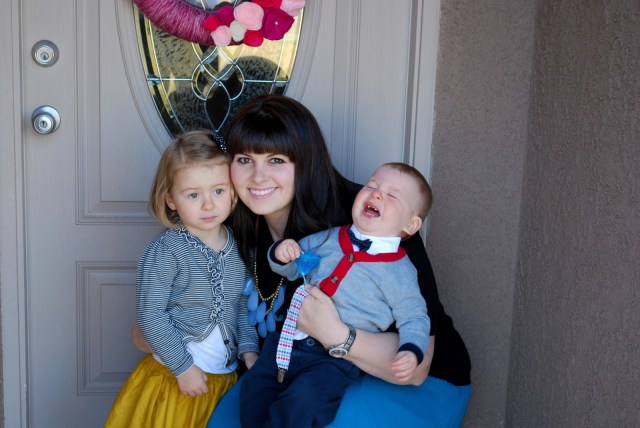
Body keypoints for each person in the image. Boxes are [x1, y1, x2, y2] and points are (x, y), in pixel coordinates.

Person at [132, 94, 472, 427]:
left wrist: (336, 335)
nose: (258, 177)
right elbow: (144, 330)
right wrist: (179, 343)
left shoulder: (374, 217)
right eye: (245, 159)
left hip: (409, 383)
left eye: (277, 160)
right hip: (287, 368)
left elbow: (417, 369)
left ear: (305, 161)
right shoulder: (225, 222)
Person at [240, 162, 433, 427]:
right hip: (288, 339)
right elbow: (294, 269)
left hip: (332, 361)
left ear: (411, 224)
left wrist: (411, 350)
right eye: (372, 186)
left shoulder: (400, 272)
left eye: (392, 195)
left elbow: (415, 317)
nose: (377, 194)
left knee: (304, 404)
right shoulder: (328, 238)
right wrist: (282, 253)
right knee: (254, 394)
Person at [106, 130, 259, 427]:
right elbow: (151, 314)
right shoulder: (166, 251)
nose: (208, 204)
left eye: (218, 191)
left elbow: (241, 303)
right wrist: (183, 368)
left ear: (232, 192)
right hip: (175, 380)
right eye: (193, 195)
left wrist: (249, 349)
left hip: (222, 381)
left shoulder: (240, 248)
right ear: (171, 200)